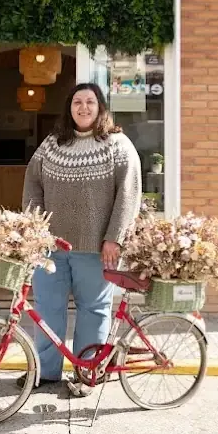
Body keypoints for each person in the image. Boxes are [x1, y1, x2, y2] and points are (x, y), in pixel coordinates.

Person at [18, 82, 142, 394]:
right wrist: (35, 230)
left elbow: (128, 195)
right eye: (77, 102)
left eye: (90, 102)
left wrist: (114, 238)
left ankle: (89, 373)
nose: (83, 107)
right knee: (47, 309)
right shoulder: (52, 144)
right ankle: (45, 372)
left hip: (96, 248)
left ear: (100, 107)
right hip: (51, 248)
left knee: (94, 309)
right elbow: (33, 185)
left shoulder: (117, 143)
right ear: (69, 108)